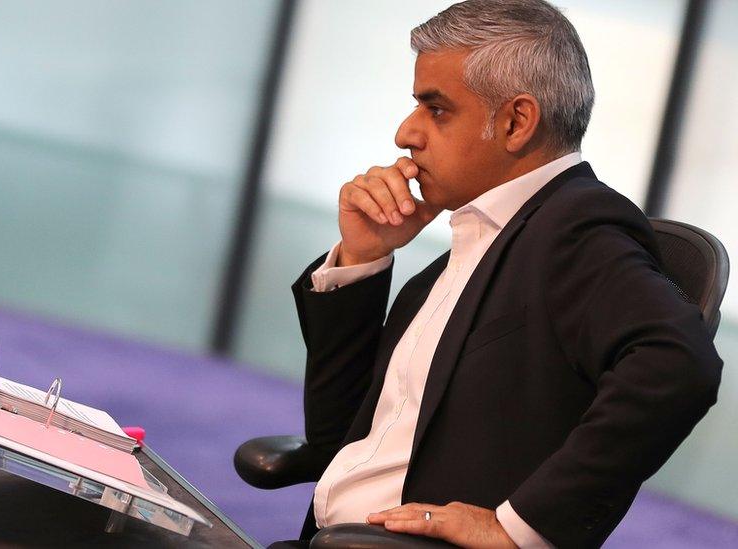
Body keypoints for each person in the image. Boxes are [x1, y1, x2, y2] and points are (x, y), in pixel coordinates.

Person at [285, 1, 722, 547]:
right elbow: (339, 440)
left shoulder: (574, 228)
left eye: (436, 110)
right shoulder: (474, 248)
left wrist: (520, 527)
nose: (405, 133)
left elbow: (679, 363)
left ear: (516, 122)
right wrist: (363, 259)